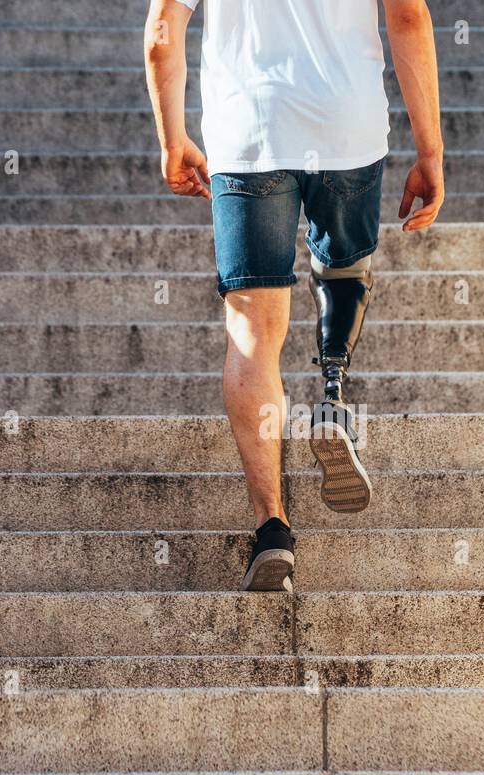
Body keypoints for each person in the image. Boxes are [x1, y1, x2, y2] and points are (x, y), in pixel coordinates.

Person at [144, 0, 444, 591]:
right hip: (345, 124)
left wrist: (171, 138)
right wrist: (430, 151)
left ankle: (272, 528)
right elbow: (409, 17)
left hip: (248, 132)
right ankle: (332, 397)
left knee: (253, 335)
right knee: (342, 268)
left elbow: (161, 32)